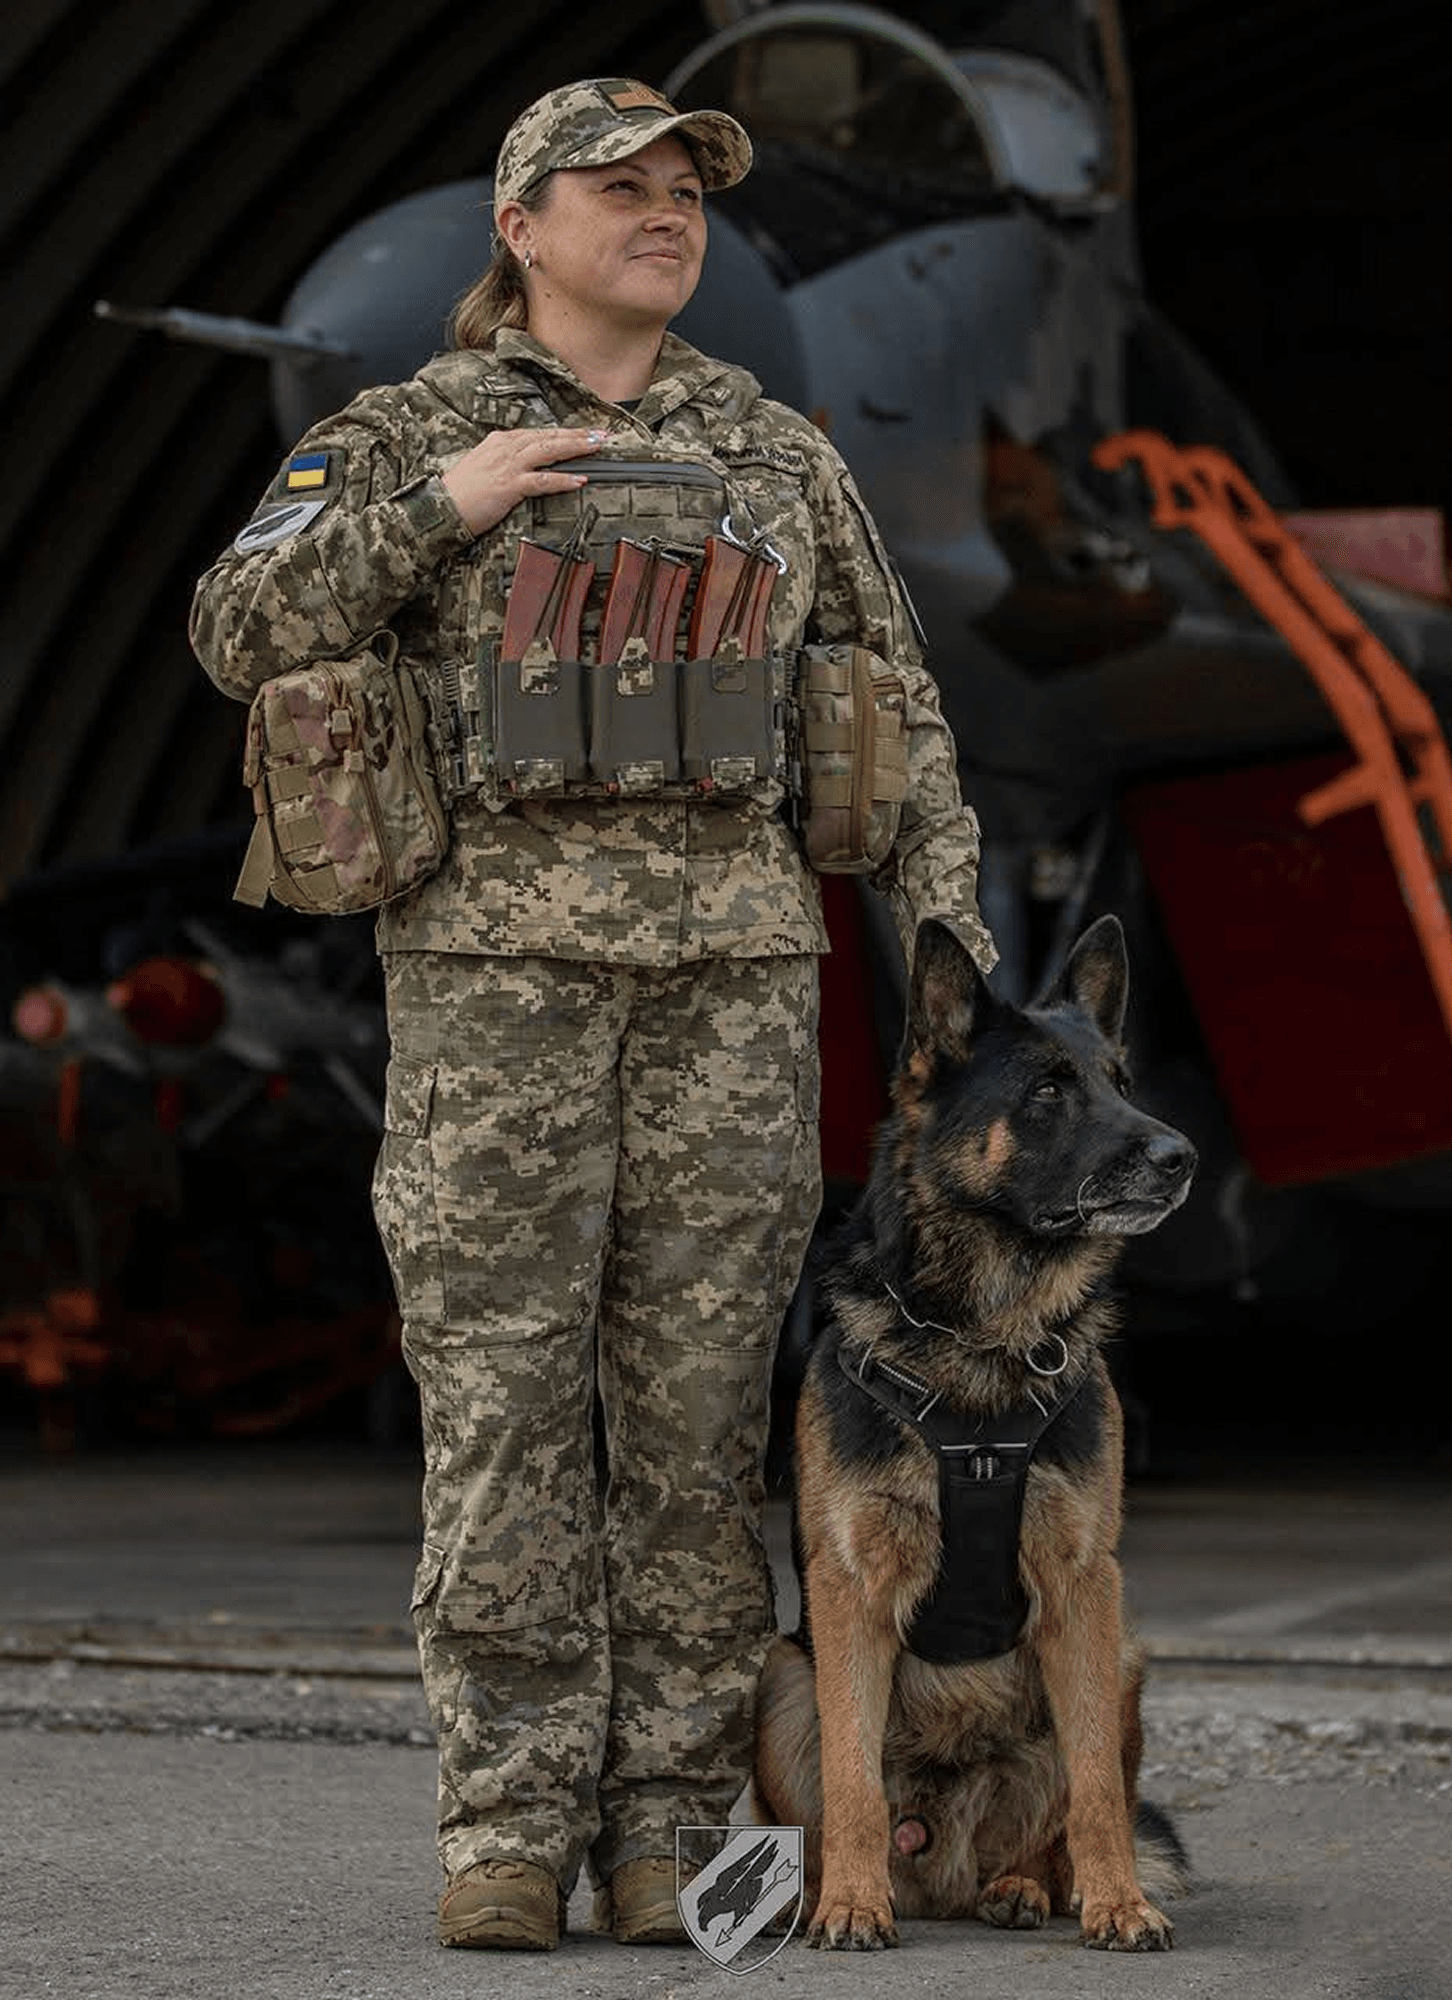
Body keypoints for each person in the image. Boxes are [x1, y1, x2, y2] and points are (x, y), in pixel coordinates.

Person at [189, 78, 997, 1950]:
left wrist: (955, 986)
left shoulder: (775, 451)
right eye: (614, 189)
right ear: (520, 232)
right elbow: (239, 626)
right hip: (494, 996)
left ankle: (661, 1833)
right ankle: (503, 1827)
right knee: (500, 1417)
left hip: (734, 993)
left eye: (683, 190)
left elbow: (902, 716)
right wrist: (431, 513)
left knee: (704, 1426)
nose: (662, 215)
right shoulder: (411, 435)